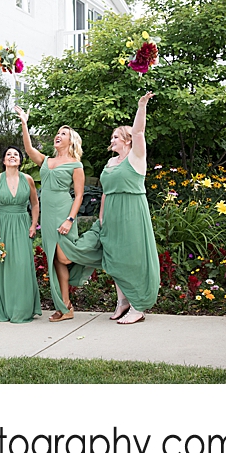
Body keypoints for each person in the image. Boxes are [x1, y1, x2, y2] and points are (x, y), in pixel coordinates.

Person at [55, 92, 160, 324]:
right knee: (112, 257)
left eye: (115, 137)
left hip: (132, 212)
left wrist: (141, 105)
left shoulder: (136, 158)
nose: (111, 140)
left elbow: (140, 132)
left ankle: (138, 306)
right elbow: (105, 193)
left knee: (131, 258)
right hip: (110, 213)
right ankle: (122, 300)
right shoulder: (110, 163)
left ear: (127, 140)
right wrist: (101, 218)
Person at [17, 108, 85, 321]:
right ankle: (65, 306)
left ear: (71, 141)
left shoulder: (76, 165)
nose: (58, 135)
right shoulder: (46, 161)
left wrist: (70, 219)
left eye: (63, 133)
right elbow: (28, 149)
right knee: (55, 260)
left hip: (64, 212)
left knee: (64, 257)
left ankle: (92, 253)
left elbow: (79, 196)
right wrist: (24, 123)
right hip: (48, 216)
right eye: (58, 132)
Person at [0, 145, 41, 323]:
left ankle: (22, 309)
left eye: (15, 154)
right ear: (3, 160)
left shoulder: (28, 179)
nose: (12, 156)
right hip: (2, 225)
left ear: (20, 160)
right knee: (3, 265)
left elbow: (35, 204)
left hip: (22, 223)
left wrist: (33, 224)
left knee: (21, 264)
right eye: (8, 154)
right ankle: (3, 308)